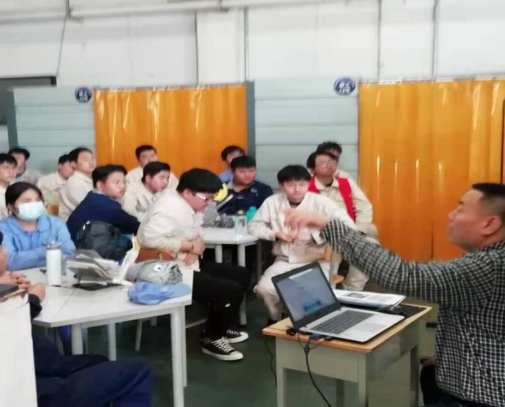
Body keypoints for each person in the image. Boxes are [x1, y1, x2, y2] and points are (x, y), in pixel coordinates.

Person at [284, 183, 505, 407]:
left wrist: (328, 225)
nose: (451, 215)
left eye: (461, 209)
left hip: (486, 397)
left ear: (490, 224)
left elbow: (401, 275)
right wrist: (450, 358)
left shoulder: (491, 267)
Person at [0, 211, 153, 407]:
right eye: (0, 249)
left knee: (97, 362)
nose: (5, 252)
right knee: (136, 373)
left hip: (29, 373)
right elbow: (6, 322)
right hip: (35, 388)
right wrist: (32, 297)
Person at [138, 169, 250, 362]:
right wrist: (188, 246)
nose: (209, 203)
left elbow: (198, 231)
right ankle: (212, 339)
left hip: (186, 260)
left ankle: (219, 326)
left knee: (240, 274)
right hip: (164, 268)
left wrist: (195, 246)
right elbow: (148, 239)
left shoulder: (191, 204)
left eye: (212, 198)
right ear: (188, 192)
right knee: (229, 290)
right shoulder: (169, 208)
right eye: (206, 198)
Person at [248, 165, 355, 323]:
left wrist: (315, 237)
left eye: (302, 184)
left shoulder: (323, 203)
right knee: (265, 289)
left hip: (318, 260)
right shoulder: (272, 202)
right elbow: (254, 226)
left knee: (308, 293)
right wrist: (275, 234)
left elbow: (349, 228)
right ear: (281, 185)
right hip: (285, 260)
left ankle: (310, 323)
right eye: (291, 185)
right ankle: (276, 319)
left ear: (309, 184)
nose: (297, 189)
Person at [307, 149, 375, 291]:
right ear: (312, 169)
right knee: (335, 250)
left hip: (349, 230)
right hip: (321, 235)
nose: (329, 165)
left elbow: (364, 206)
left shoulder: (346, 183)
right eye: (323, 163)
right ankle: (329, 289)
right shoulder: (305, 187)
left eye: (332, 161)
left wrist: (359, 230)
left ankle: (353, 289)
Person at [0, 182, 75, 271]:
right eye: (27, 201)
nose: (34, 204)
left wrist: (27, 261)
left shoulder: (55, 223)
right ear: (11, 206)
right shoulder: (2, 228)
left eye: (37, 200)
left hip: (54, 273)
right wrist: (44, 252)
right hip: (19, 277)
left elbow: (70, 253)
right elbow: (9, 263)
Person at [67, 165, 140, 241]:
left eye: (124, 182)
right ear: (100, 185)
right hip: (84, 246)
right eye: (116, 182)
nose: (122, 186)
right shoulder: (103, 205)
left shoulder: (93, 197)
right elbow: (134, 226)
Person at [59, 147, 97, 221]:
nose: (91, 162)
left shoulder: (91, 180)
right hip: (77, 225)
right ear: (73, 164)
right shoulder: (74, 183)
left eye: (92, 159)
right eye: (85, 160)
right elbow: (90, 208)